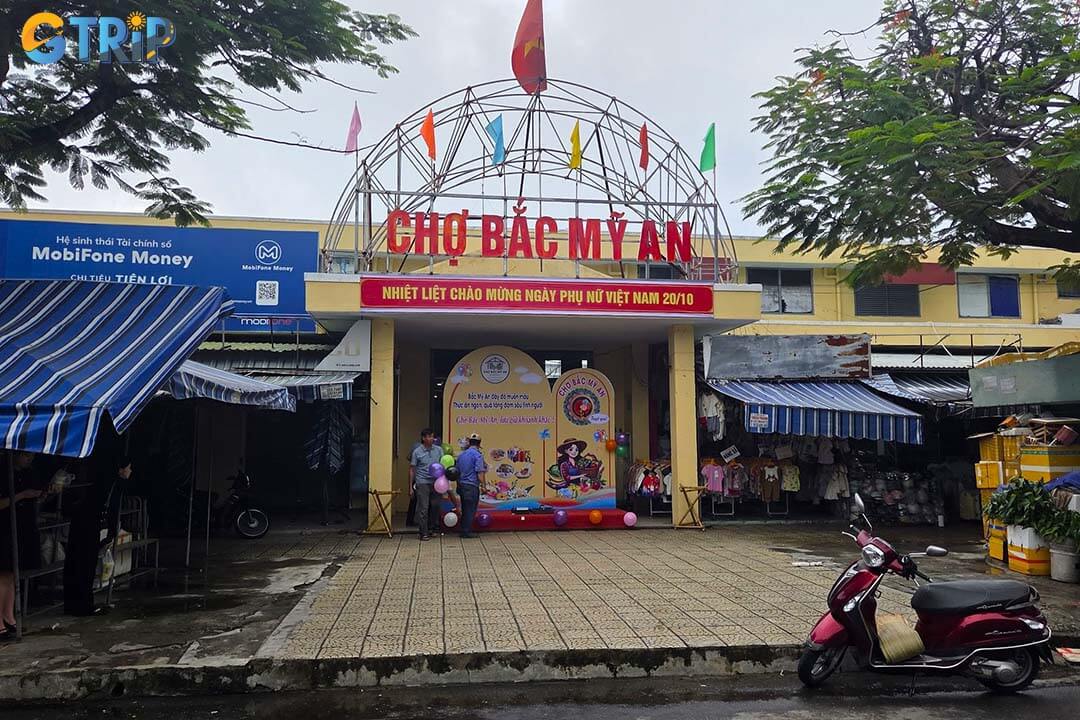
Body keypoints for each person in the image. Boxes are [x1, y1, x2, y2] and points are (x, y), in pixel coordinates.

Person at [63, 456, 130, 616]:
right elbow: (111, 506)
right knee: (85, 565)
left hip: (83, 524)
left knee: (79, 564)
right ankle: (83, 604)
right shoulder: (110, 483)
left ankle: (76, 603)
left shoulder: (99, 480)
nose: (130, 472)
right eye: (128, 468)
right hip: (91, 525)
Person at [1, 452, 44, 641]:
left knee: (12, 574)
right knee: (2, 574)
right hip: (3, 528)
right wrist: (22, 495)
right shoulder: (3, 474)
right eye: (26, 455)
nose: (29, 458)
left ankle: (8, 616)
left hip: (21, 527)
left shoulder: (28, 474)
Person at [409, 429, 445, 541]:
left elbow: (443, 465)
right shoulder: (417, 452)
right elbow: (412, 469)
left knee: (435, 506)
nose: (431, 439)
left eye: (432, 437)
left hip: (436, 482)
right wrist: (410, 486)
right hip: (422, 482)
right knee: (423, 507)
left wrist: (443, 481)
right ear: (423, 438)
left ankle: (432, 528)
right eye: (428, 437)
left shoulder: (439, 450)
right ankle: (423, 532)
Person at [454, 433, 486, 538]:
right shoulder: (478, 455)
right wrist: (484, 486)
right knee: (470, 509)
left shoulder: (462, 455)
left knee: (465, 507)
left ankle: (463, 529)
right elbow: (480, 473)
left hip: (462, 485)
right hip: (471, 486)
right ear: (479, 444)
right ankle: (466, 532)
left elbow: (456, 471)